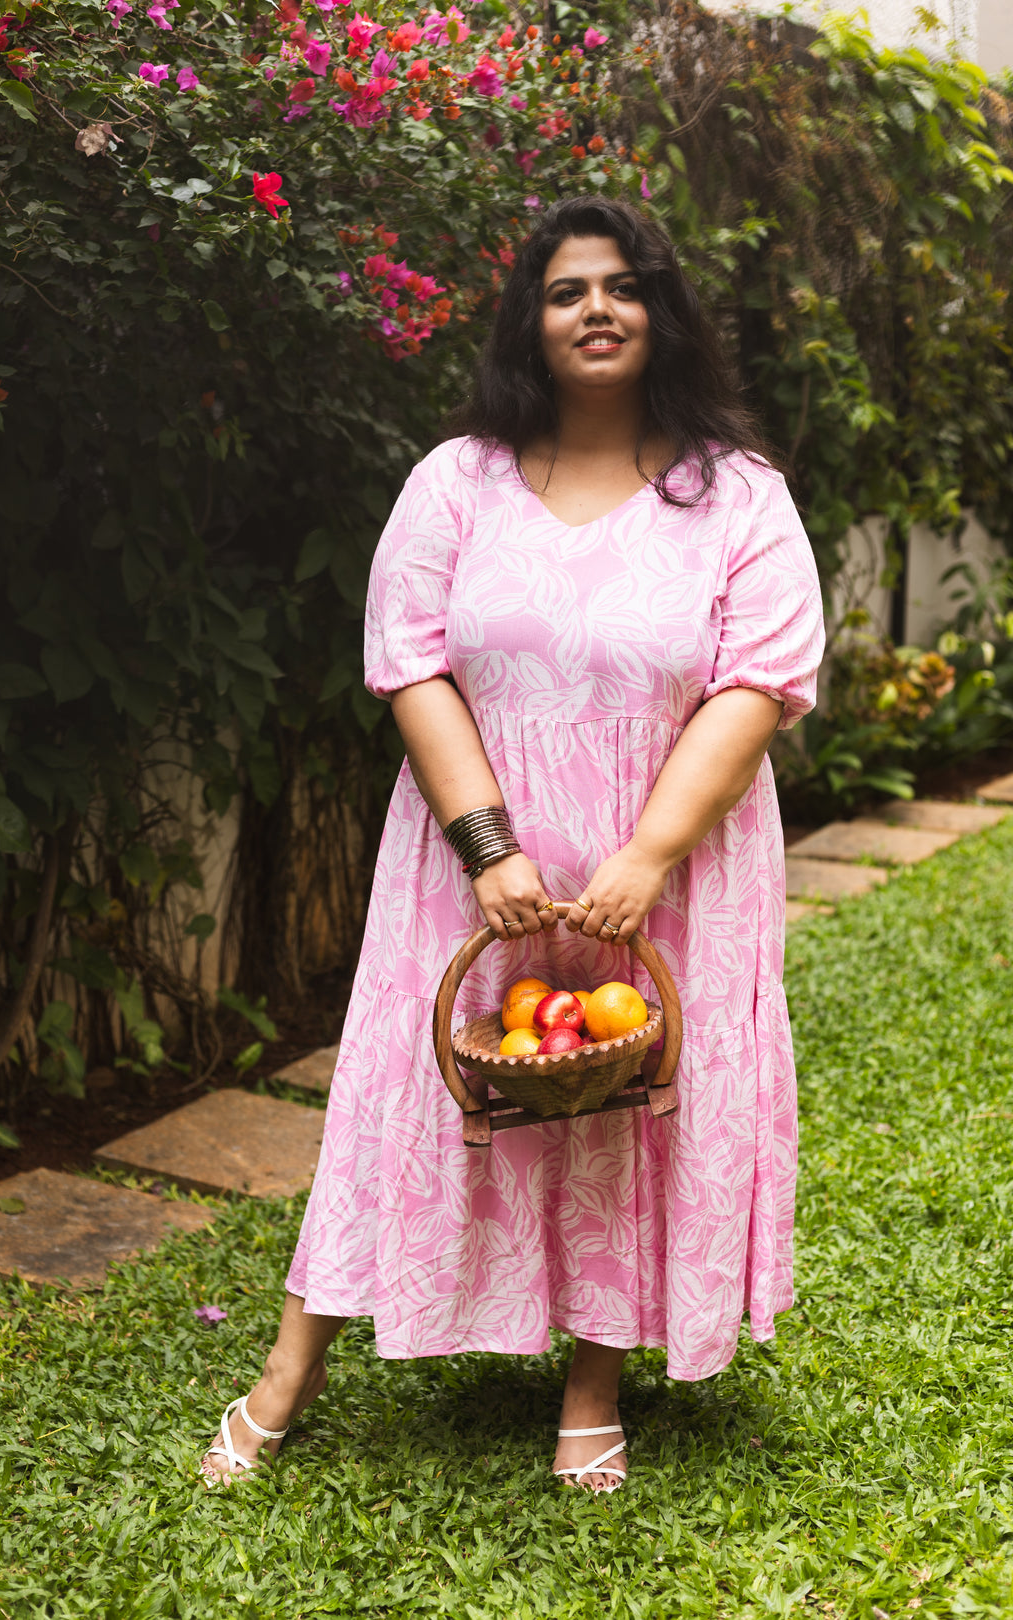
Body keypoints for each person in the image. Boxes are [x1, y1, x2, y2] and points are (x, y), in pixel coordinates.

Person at [201, 196, 825, 1493]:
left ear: (663, 312)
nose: (596, 307)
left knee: (623, 1103)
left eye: (622, 285)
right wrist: (489, 847)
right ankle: (286, 1368)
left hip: (671, 868)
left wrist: (647, 859)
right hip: (465, 862)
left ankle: (592, 1384)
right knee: (404, 1090)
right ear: (528, 324)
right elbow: (411, 661)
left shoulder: (740, 499)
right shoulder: (457, 481)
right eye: (565, 289)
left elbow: (760, 682)